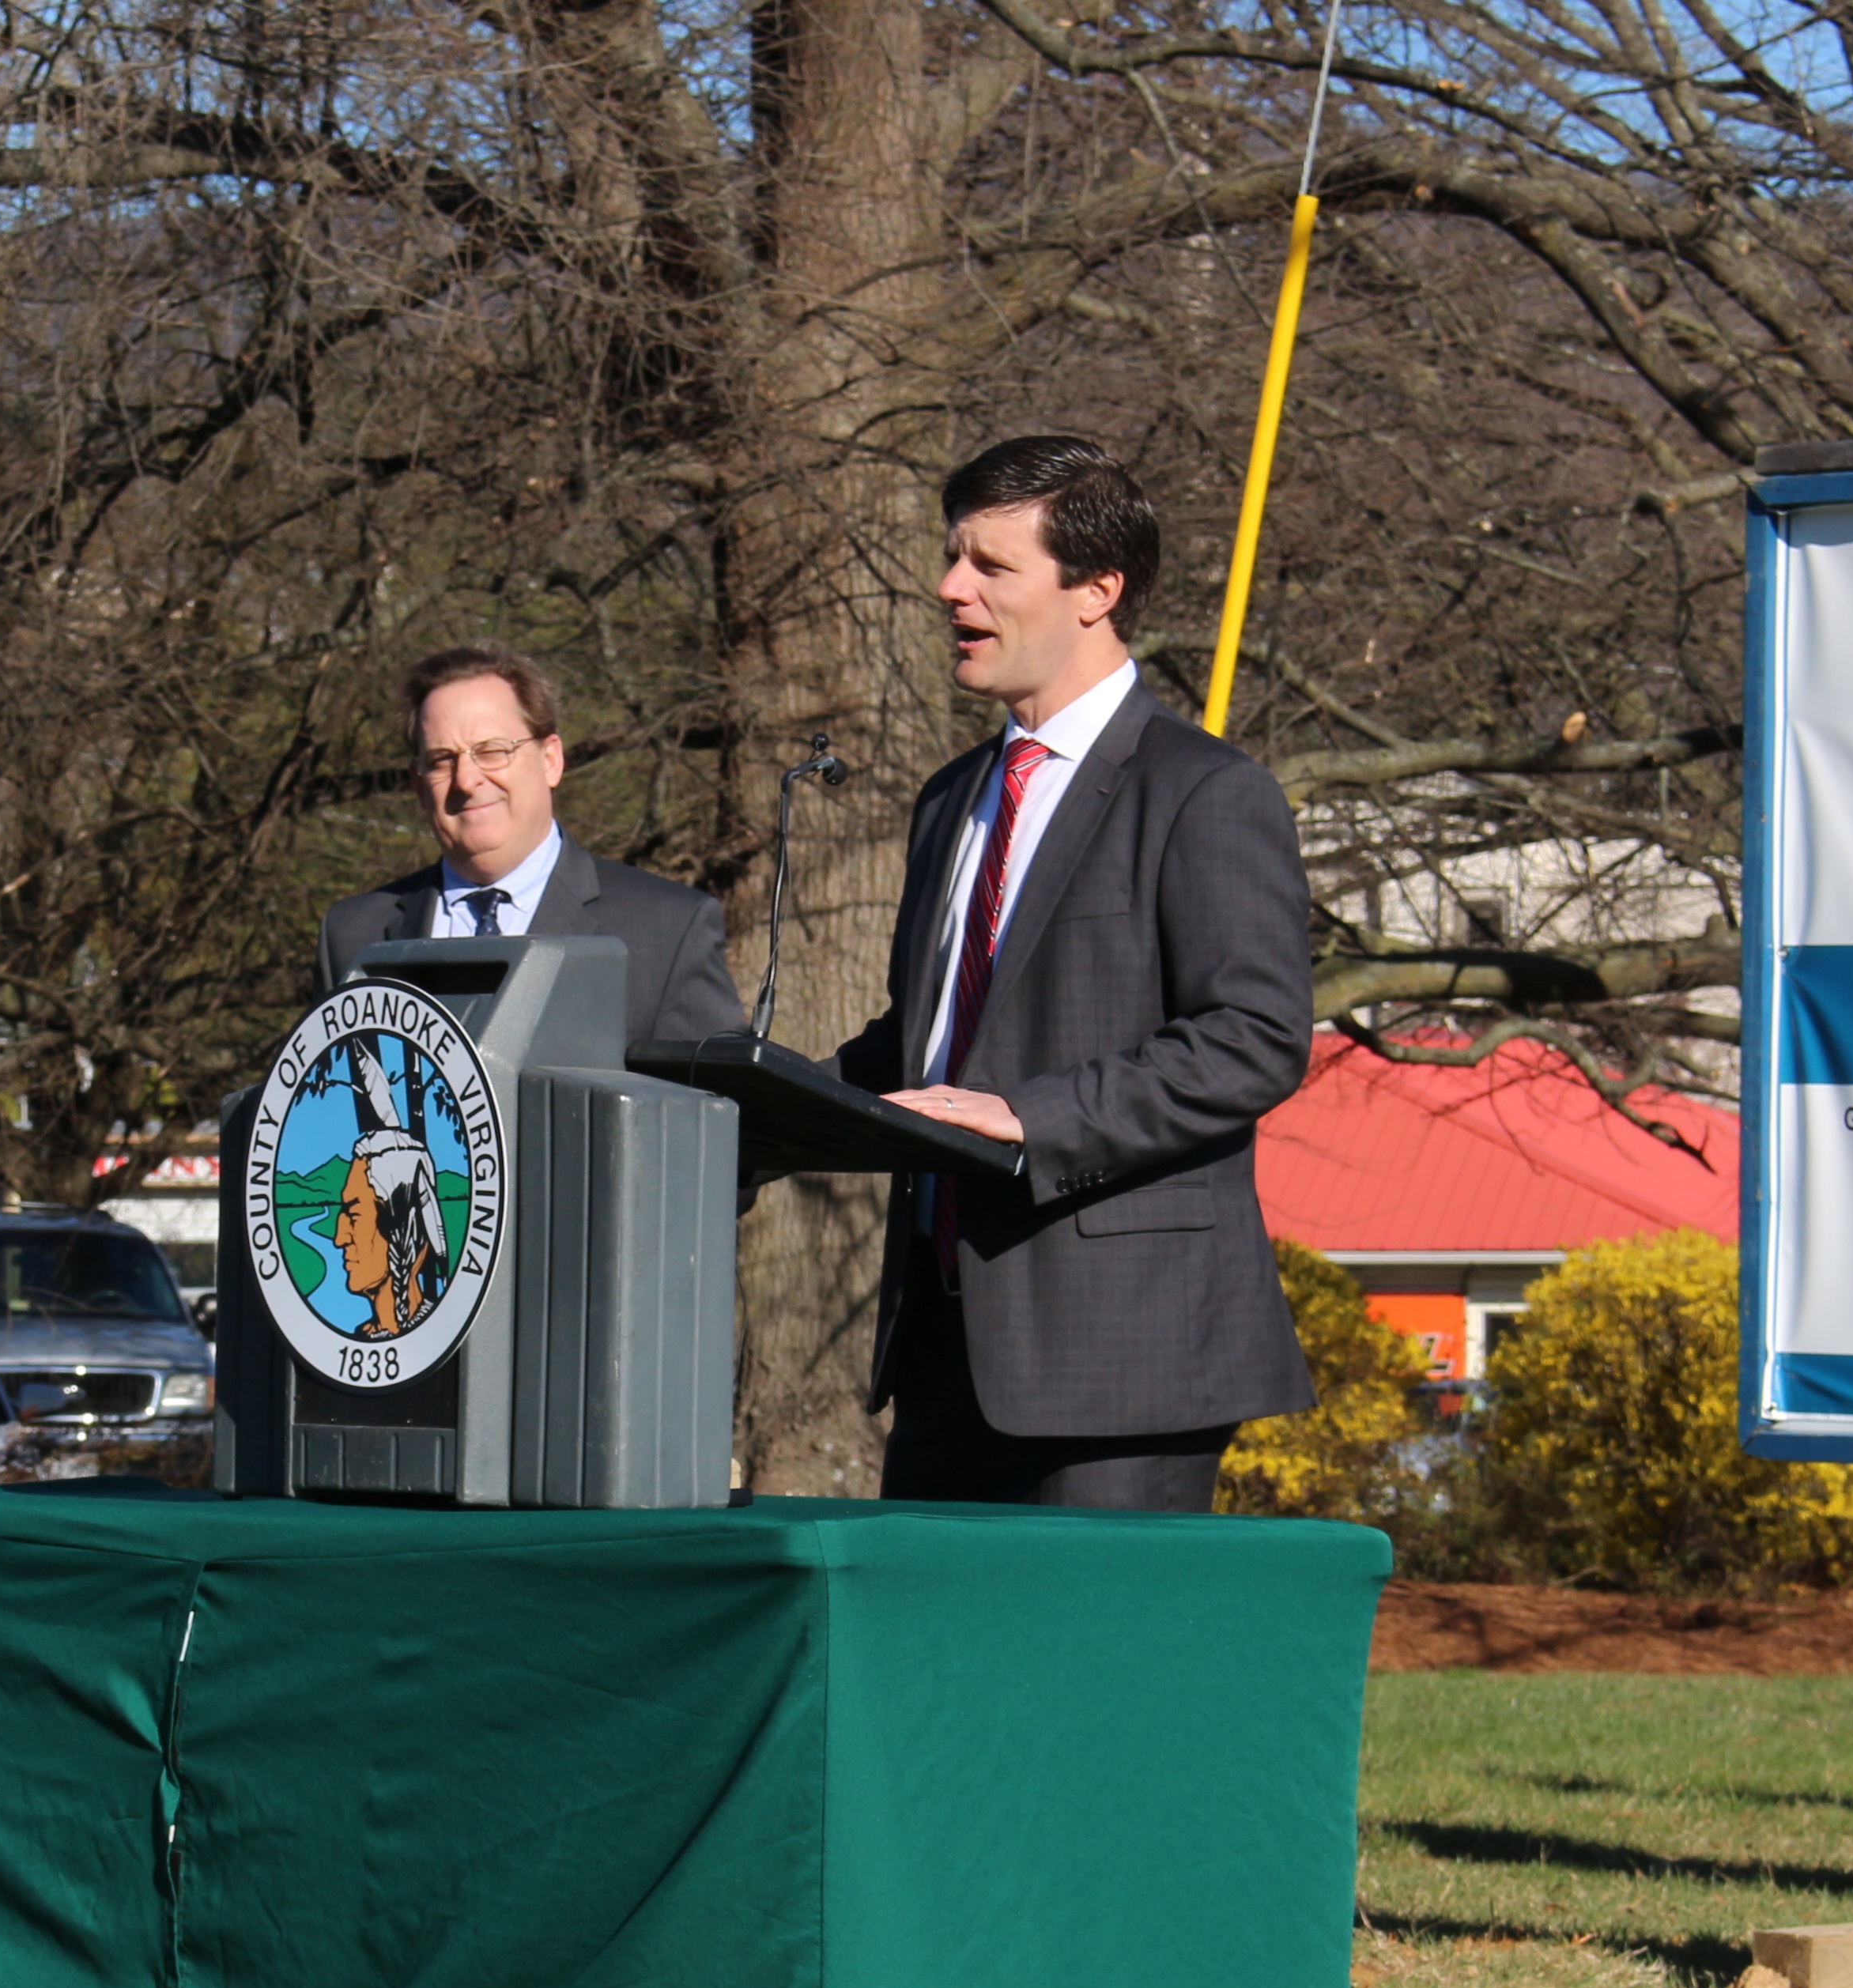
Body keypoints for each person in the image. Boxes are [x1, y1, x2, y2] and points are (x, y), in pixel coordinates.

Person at [832, 435, 1315, 1511]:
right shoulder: (949, 798)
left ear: (1096, 589)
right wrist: (761, 1107)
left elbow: (1251, 1038)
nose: (948, 587)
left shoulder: (1204, 793)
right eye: (952, 558)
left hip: (1125, 1358)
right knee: (944, 1678)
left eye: (989, 567)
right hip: (941, 1343)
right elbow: (927, 1042)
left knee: (1095, 1677)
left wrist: (1028, 1117)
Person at [321, 646, 745, 1044]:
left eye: (491, 751)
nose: (467, 780)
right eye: (441, 761)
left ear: (550, 760)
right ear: (418, 783)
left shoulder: (666, 931)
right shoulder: (354, 935)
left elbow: (719, 1113)